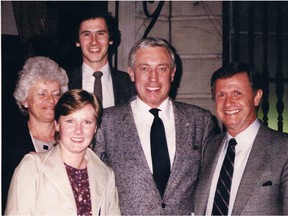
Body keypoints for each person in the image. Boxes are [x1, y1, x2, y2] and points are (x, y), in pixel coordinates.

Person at [94, 37, 217, 215]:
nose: (154, 78)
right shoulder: (106, 122)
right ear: (131, 73)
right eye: (144, 68)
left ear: (173, 73)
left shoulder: (200, 121)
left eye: (161, 68)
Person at [193, 62, 288, 215]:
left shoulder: (283, 149)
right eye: (221, 95)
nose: (228, 103)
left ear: (257, 97)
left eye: (237, 93)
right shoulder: (209, 147)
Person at [5, 89, 121, 215]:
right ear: (57, 125)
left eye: (87, 122)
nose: (78, 130)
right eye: (70, 121)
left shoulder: (106, 175)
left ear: (95, 128)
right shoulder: (32, 167)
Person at [2, 56, 69, 212]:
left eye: (56, 93)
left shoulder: (72, 138)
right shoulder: (7, 143)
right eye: (41, 94)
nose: (51, 100)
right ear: (25, 100)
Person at [68, 11, 135, 108]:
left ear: (110, 39)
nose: (94, 41)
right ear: (77, 41)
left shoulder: (129, 84)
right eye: (86, 34)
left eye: (100, 34)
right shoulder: (64, 82)